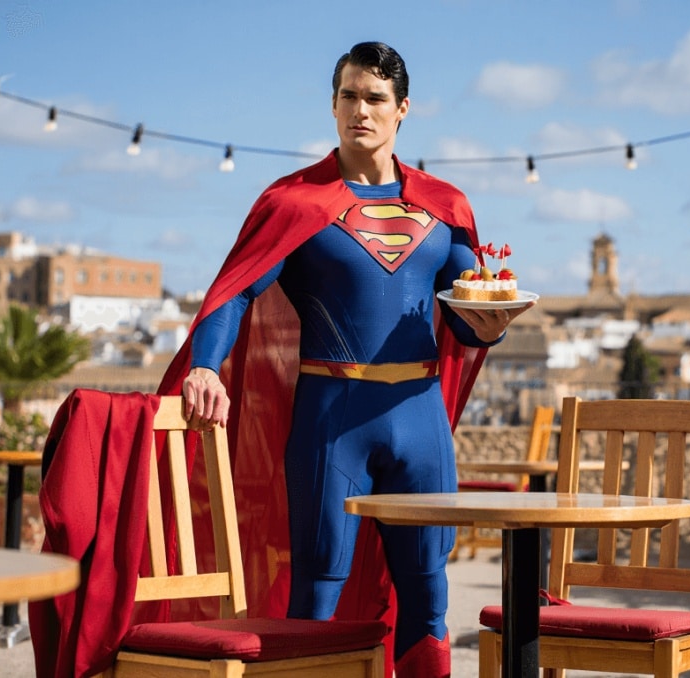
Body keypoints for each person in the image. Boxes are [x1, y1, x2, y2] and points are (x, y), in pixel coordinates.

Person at [159, 41, 531, 677]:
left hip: (420, 418)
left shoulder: (446, 207)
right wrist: (202, 366)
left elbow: (472, 319)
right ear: (333, 105)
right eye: (350, 96)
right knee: (318, 590)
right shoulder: (294, 203)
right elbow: (234, 292)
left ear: (402, 109)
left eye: (375, 98)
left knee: (428, 593)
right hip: (332, 419)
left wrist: (492, 326)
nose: (362, 109)